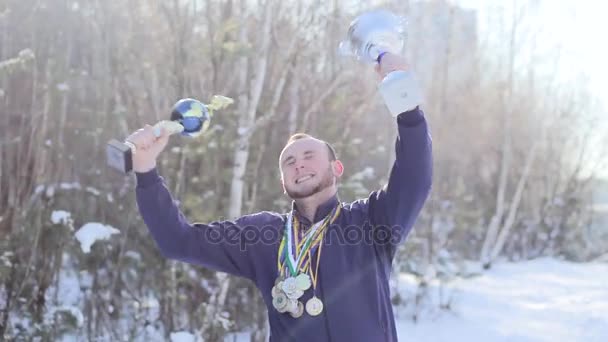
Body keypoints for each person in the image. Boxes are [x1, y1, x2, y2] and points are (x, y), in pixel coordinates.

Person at [127, 52, 432, 341]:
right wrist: (145, 171)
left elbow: (415, 175)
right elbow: (178, 242)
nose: (299, 163)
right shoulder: (263, 235)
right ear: (282, 181)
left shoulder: (371, 221)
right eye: (289, 161)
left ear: (336, 167)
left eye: (309, 155)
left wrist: (405, 102)